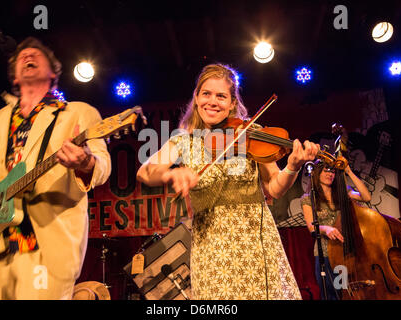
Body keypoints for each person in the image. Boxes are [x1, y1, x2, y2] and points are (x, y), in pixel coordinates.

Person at [136, 63, 320, 300]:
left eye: (221, 96)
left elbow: (274, 186)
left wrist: (293, 167)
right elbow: (145, 172)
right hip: (213, 252)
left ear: (232, 102)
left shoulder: (249, 134)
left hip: (257, 246)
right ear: (196, 97)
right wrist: (170, 174)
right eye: (206, 94)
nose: (212, 102)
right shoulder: (183, 141)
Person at [0, 37, 111, 299]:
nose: (27, 56)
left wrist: (85, 162)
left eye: (36, 55)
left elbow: (102, 165)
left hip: (45, 247)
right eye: (21, 56)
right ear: (13, 76)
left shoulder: (78, 112)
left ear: (54, 72)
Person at [301, 161, 371, 300]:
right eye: (326, 170)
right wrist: (325, 228)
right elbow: (311, 227)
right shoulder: (308, 198)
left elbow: (366, 197)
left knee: (343, 292)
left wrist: (349, 172)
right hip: (324, 253)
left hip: (343, 251)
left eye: (332, 171)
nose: (330, 174)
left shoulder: (343, 192)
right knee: (329, 294)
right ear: (316, 173)